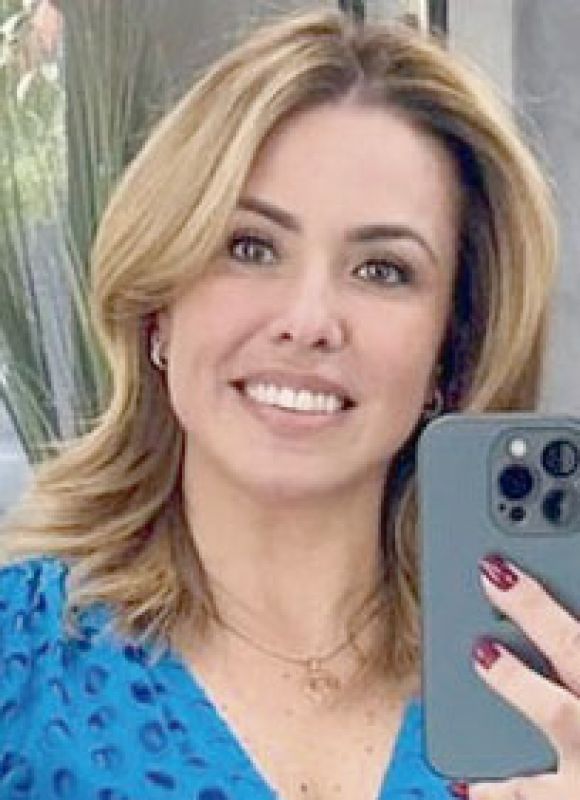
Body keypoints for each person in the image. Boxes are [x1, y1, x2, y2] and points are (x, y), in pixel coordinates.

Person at [0, 7, 570, 799]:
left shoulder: (542, 677)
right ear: (160, 307)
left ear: (453, 344)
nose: (308, 321)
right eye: (250, 248)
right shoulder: (20, 661)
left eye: (382, 270)